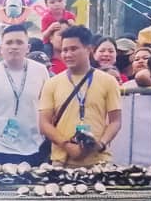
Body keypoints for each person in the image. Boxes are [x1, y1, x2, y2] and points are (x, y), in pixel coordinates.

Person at [38, 25, 122, 167]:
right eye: (64, 50)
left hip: (98, 161)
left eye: (73, 49)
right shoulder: (51, 84)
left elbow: (115, 121)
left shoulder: (108, 81)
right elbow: (44, 124)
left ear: (89, 49)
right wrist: (67, 146)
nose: (68, 54)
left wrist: (100, 144)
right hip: (61, 161)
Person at [0, 23, 50, 165]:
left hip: (34, 147)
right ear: (1, 48)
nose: (14, 46)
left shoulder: (41, 71)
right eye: (9, 42)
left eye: (19, 42)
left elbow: (46, 109)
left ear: (27, 48)